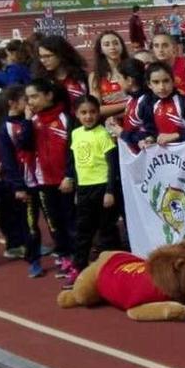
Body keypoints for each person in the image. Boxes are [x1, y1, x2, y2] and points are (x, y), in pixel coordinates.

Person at [25, 78, 76, 279]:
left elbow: (74, 151)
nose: (31, 101)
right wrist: (27, 122)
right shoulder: (34, 121)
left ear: (49, 95)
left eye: (35, 96)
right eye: (28, 97)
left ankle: (75, 257)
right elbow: (25, 145)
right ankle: (63, 255)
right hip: (43, 181)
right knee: (54, 222)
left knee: (70, 220)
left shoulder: (66, 119)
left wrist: (69, 175)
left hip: (65, 181)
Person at [67, 95, 121, 283]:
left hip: (102, 187)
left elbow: (112, 164)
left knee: (106, 230)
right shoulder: (76, 133)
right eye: (84, 112)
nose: (88, 116)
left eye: (92, 112)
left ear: (98, 114)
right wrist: (74, 186)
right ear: (77, 114)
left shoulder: (103, 134)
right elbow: (75, 163)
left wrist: (110, 191)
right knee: (83, 230)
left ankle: (114, 268)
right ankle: (79, 267)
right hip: (84, 189)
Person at [0, 85, 44, 277]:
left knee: (54, 219)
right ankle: (34, 260)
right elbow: (11, 156)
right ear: (12, 103)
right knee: (30, 224)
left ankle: (62, 252)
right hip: (26, 183)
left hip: (43, 179)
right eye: (25, 100)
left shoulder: (32, 119)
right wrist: (18, 186)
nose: (29, 103)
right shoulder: (5, 128)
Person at [138, 62, 185, 147]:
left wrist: (177, 136)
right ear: (149, 84)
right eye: (156, 82)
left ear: (173, 81)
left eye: (166, 81)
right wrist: (148, 139)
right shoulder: (149, 105)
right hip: (164, 157)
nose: (162, 87)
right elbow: (151, 131)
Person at [88, 31, 130, 123]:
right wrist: (128, 104)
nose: (112, 47)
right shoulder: (95, 77)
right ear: (101, 50)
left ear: (122, 46)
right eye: (107, 45)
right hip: (111, 125)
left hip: (135, 122)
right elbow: (96, 109)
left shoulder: (132, 69)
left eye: (116, 43)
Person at [34, 36, 88, 105]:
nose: (43, 60)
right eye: (41, 57)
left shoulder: (81, 77)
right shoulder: (41, 81)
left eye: (48, 56)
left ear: (61, 54)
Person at [151, 33, 185, 97]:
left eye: (165, 45)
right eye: (156, 46)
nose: (160, 50)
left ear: (174, 48)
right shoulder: (151, 69)